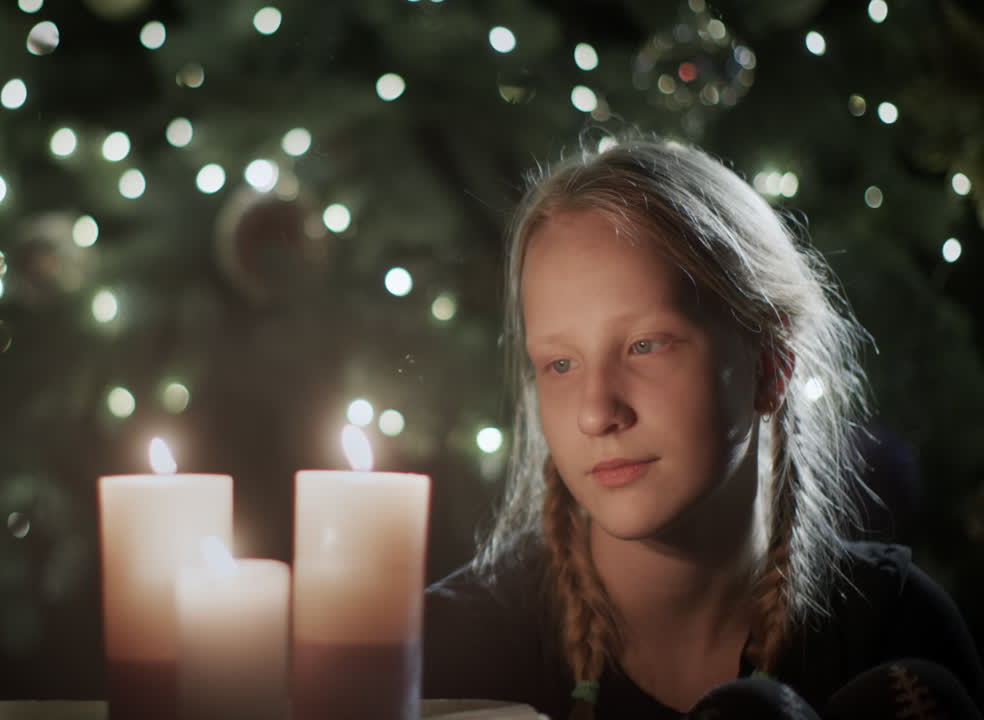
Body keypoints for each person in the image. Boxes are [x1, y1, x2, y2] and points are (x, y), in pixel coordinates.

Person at [421, 137, 983, 719]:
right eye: (560, 364)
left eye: (645, 346)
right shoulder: (445, 652)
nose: (596, 412)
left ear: (770, 365)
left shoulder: (897, 635)